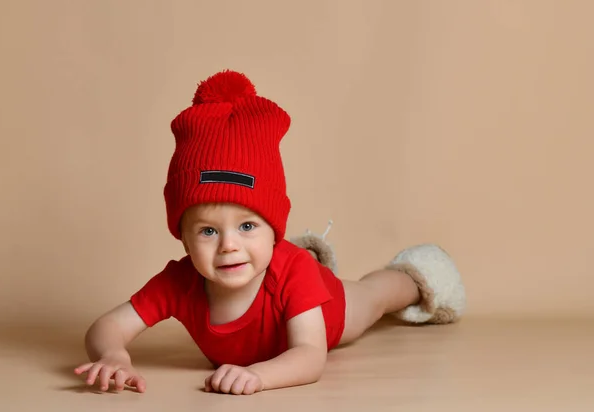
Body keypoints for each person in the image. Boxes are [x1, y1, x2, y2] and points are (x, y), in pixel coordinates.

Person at [74, 70, 466, 395]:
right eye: (208, 231)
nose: (229, 246)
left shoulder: (290, 272)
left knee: (373, 296)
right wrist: (113, 355)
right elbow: (106, 327)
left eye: (247, 226)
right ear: (182, 235)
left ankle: (417, 274)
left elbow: (311, 356)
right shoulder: (180, 282)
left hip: (329, 311)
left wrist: (259, 376)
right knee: (312, 281)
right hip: (284, 281)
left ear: (272, 226)